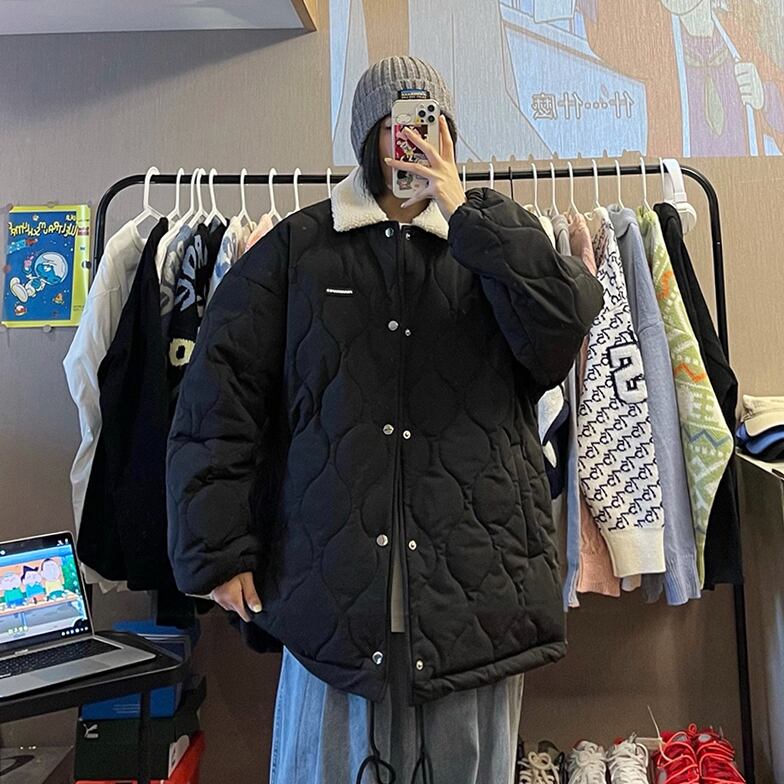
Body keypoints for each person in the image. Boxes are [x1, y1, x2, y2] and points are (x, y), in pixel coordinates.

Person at [167, 56, 603, 783]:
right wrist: (215, 548)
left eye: (430, 122)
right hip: (330, 595)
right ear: (367, 136)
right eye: (396, 124)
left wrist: (465, 210)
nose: (413, 140)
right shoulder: (297, 250)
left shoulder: (496, 241)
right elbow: (218, 397)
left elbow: (562, 331)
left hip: (475, 593)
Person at [581, 0, 784, 156]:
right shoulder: (654, 38)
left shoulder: (738, 38)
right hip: (680, 186)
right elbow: (603, 24)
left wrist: (765, 97)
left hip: (742, 181)